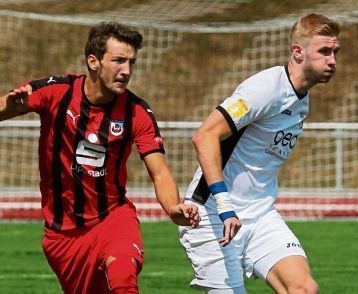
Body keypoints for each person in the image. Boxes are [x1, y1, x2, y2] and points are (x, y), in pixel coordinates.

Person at [0, 21, 200, 293]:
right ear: (93, 61)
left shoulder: (137, 111)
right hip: (63, 237)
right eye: (118, 61)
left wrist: (173, 206)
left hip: (113, 219)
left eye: (131, 62)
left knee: (123, 279)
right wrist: (8, 109)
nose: (126, 71)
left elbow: (159, 171)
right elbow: (7, 104)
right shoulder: (58, 92)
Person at [178, 13, 340, 293]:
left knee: (303, 288)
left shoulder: (302, 98)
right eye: (324, 51)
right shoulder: (266, 88)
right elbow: (204, 136)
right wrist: (225, 205)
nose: (333, 60)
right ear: (298, 51)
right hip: (213, 214)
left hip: (261, 215)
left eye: (335, 52)